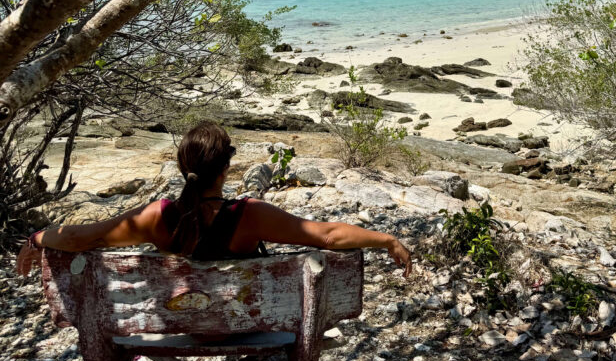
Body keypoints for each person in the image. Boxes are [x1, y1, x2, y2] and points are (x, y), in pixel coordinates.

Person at [16, 121, 412, 277]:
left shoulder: (156, 216)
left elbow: (84, 237)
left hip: (177, 323)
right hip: (247, 322)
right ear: (226, 169)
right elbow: (327, 235)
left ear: (182, 167)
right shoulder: (250, 215)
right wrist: (387, 240)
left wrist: (36, 238)